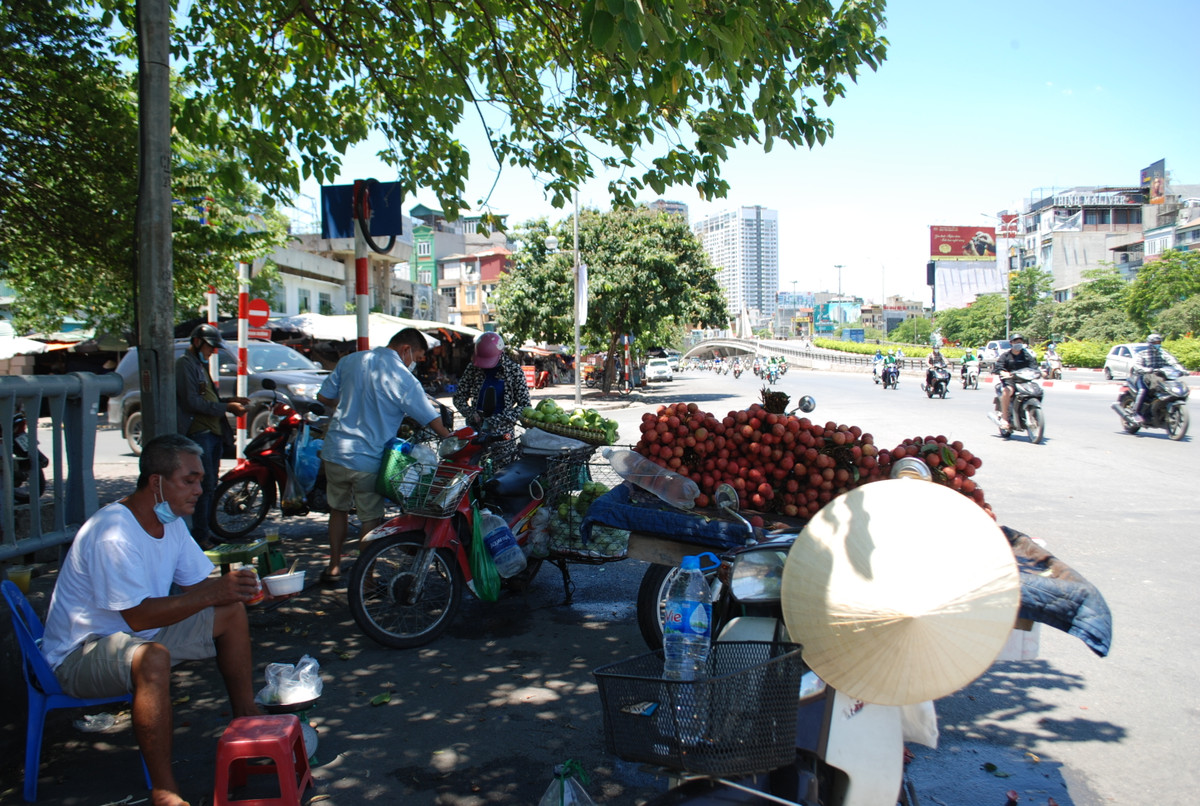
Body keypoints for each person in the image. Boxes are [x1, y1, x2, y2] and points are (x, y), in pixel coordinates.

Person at [41, 434, 261, 806]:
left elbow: (199, 586)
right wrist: (214, 592)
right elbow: (138, 617)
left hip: (141, 635)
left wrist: (246, 590)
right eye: (189, 480)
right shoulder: (113, 533)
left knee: (230, 612)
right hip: (80, 654)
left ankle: (247, 723)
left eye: (200, 480)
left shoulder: (171, 520)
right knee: (152, 657)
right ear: (157, 482)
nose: (199, 489)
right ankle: (165, 792)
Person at [317, 328, 452, 586]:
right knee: (370, 518)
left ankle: (333, 566)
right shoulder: (402, 378)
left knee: (337, 510)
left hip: (335, 452)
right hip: (368, 460)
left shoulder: (351, 360)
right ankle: (365, 578)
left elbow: (324, 396)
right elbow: (431, 419)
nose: (415, 363)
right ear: (405, 350)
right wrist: (451, 438)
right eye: (418, 357)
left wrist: (350, 403)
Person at [176, 324, 248, 549]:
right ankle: (200, 535)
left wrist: (229, 400)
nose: (212, 352)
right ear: (197, 342)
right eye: (209, 347)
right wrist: (227, 408)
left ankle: (205, 531)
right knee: (202, 487)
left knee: (209, 486)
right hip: (200, 433)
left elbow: (207, 397)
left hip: (213, 433)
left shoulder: (198, 365)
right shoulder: (184, 365)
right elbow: (193, 402)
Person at [453, 332, 531, 436]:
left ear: (501, 354)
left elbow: (525, 405)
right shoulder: (473, 368)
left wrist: (500, 419)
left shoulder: (513, 371)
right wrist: (471, 414)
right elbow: (459, 397)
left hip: (503, 434)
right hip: (476, 431)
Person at [1128, 333, 1185, 424]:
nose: (1157, 344)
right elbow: (1137, 365)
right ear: (1150, 343)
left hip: (1158, 376)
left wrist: (1182, 370)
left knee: (1168, 388)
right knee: (1143, 390)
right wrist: (1146, 369)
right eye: (1155, 342)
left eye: (1159, 342)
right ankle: (1135, 413)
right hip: (1143, 376)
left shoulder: (1163, 353)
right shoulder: (1142, 354)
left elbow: (1172, 361)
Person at [994, 333, 1039, 431]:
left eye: (1020, 342)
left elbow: (1034, 366)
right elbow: (998, 368)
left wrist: (1041, 372)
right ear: (1011, 343)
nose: (1018, 343)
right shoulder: (1006, 355)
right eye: (1016, 342)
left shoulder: (1026, 355)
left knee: (1037, 391)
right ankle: (1005, 418)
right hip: (1010, 381)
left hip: (1025, 380)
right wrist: (1003, 372)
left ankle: (1033, 413)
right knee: (1007, 391)